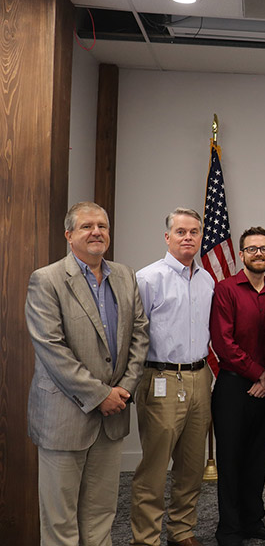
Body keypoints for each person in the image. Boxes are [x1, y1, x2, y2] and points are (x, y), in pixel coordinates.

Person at [25, 201, 149, 546]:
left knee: (100, 517)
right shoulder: (47, 280)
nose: (96, 232)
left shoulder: (124, 276)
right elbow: (52, 350)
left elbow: (140, 334)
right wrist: (100, 396)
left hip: (112, 418)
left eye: (102, 226)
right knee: (60, 522)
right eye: (86, 226)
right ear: (69, 235)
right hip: (64, 419)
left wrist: (122, 389)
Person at [131, 208, 215, 546]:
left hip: (200, 378)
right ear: (167, 237)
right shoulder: (148, 278)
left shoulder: (207, 279)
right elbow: (134, 335)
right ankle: (146, 538)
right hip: (162, 378)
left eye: (194, 231)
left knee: (191, 466)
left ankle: (182, 531)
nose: (188, 237)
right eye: (181, 232)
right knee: (153, 469)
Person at [210, 227, 265, 546]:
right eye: (252, 249)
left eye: (264, 248)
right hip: (232, 388)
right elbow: (223, 343)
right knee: (230, 460)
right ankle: (229, 529)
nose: (258, 253)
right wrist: (260, 374)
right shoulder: (226, 289)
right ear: (241, 255)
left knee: (257, 459)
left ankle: (254, 521)